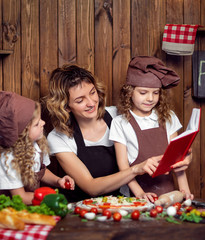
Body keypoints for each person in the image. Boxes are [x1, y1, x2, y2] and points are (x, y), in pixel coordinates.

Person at [45, 64, 191, 203]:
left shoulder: (119, 116)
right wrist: (136, 169)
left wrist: (186, 158)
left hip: (123, 204)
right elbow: (91, 188)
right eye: (80, 100)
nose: (91, 102)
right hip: (81, 209)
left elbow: (161, 138)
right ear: (65, 106)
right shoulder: (59, 138)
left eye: (92, 92)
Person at [109, 56, 193, 202]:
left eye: (155, 93)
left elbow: (177, 160)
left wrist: (185, 192)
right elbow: (123, 166)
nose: (150, 98)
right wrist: (140, 194)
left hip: (168, 193)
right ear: (129, 92)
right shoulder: (120, 123)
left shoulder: (168, 117)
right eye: (143, 93)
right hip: (135, 196)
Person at [0, 91, 75, 205]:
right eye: (36, 124)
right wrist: (49, 198)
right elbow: (20, 197)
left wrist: (58, 181)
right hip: (10, 208)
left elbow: (41, 172)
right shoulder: (9, 159)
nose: (43, 123)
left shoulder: (36, 145)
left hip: (31, 204)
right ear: (23, 133)